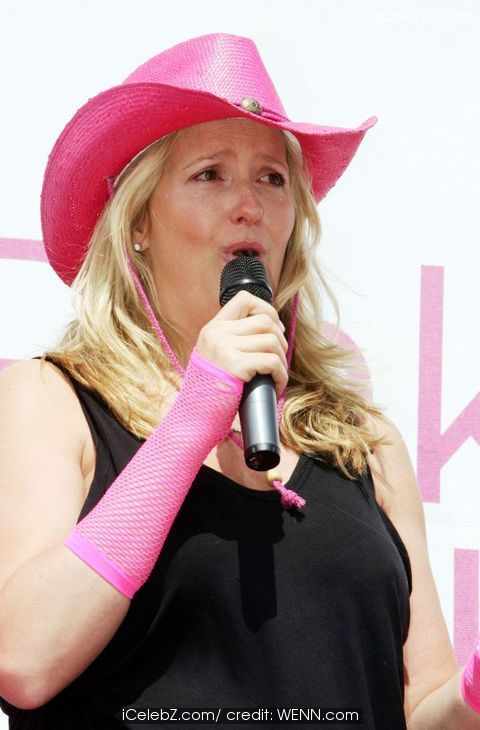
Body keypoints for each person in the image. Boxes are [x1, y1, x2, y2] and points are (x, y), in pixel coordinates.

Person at [0, 32, 478, 730]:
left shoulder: (364, 442)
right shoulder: (53, 400)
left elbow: (421, 707)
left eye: (272, 178)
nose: (248, 203)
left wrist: (473, 690)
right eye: (210, 175)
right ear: (138, 222)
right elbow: (22, 660)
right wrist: (196, 411)